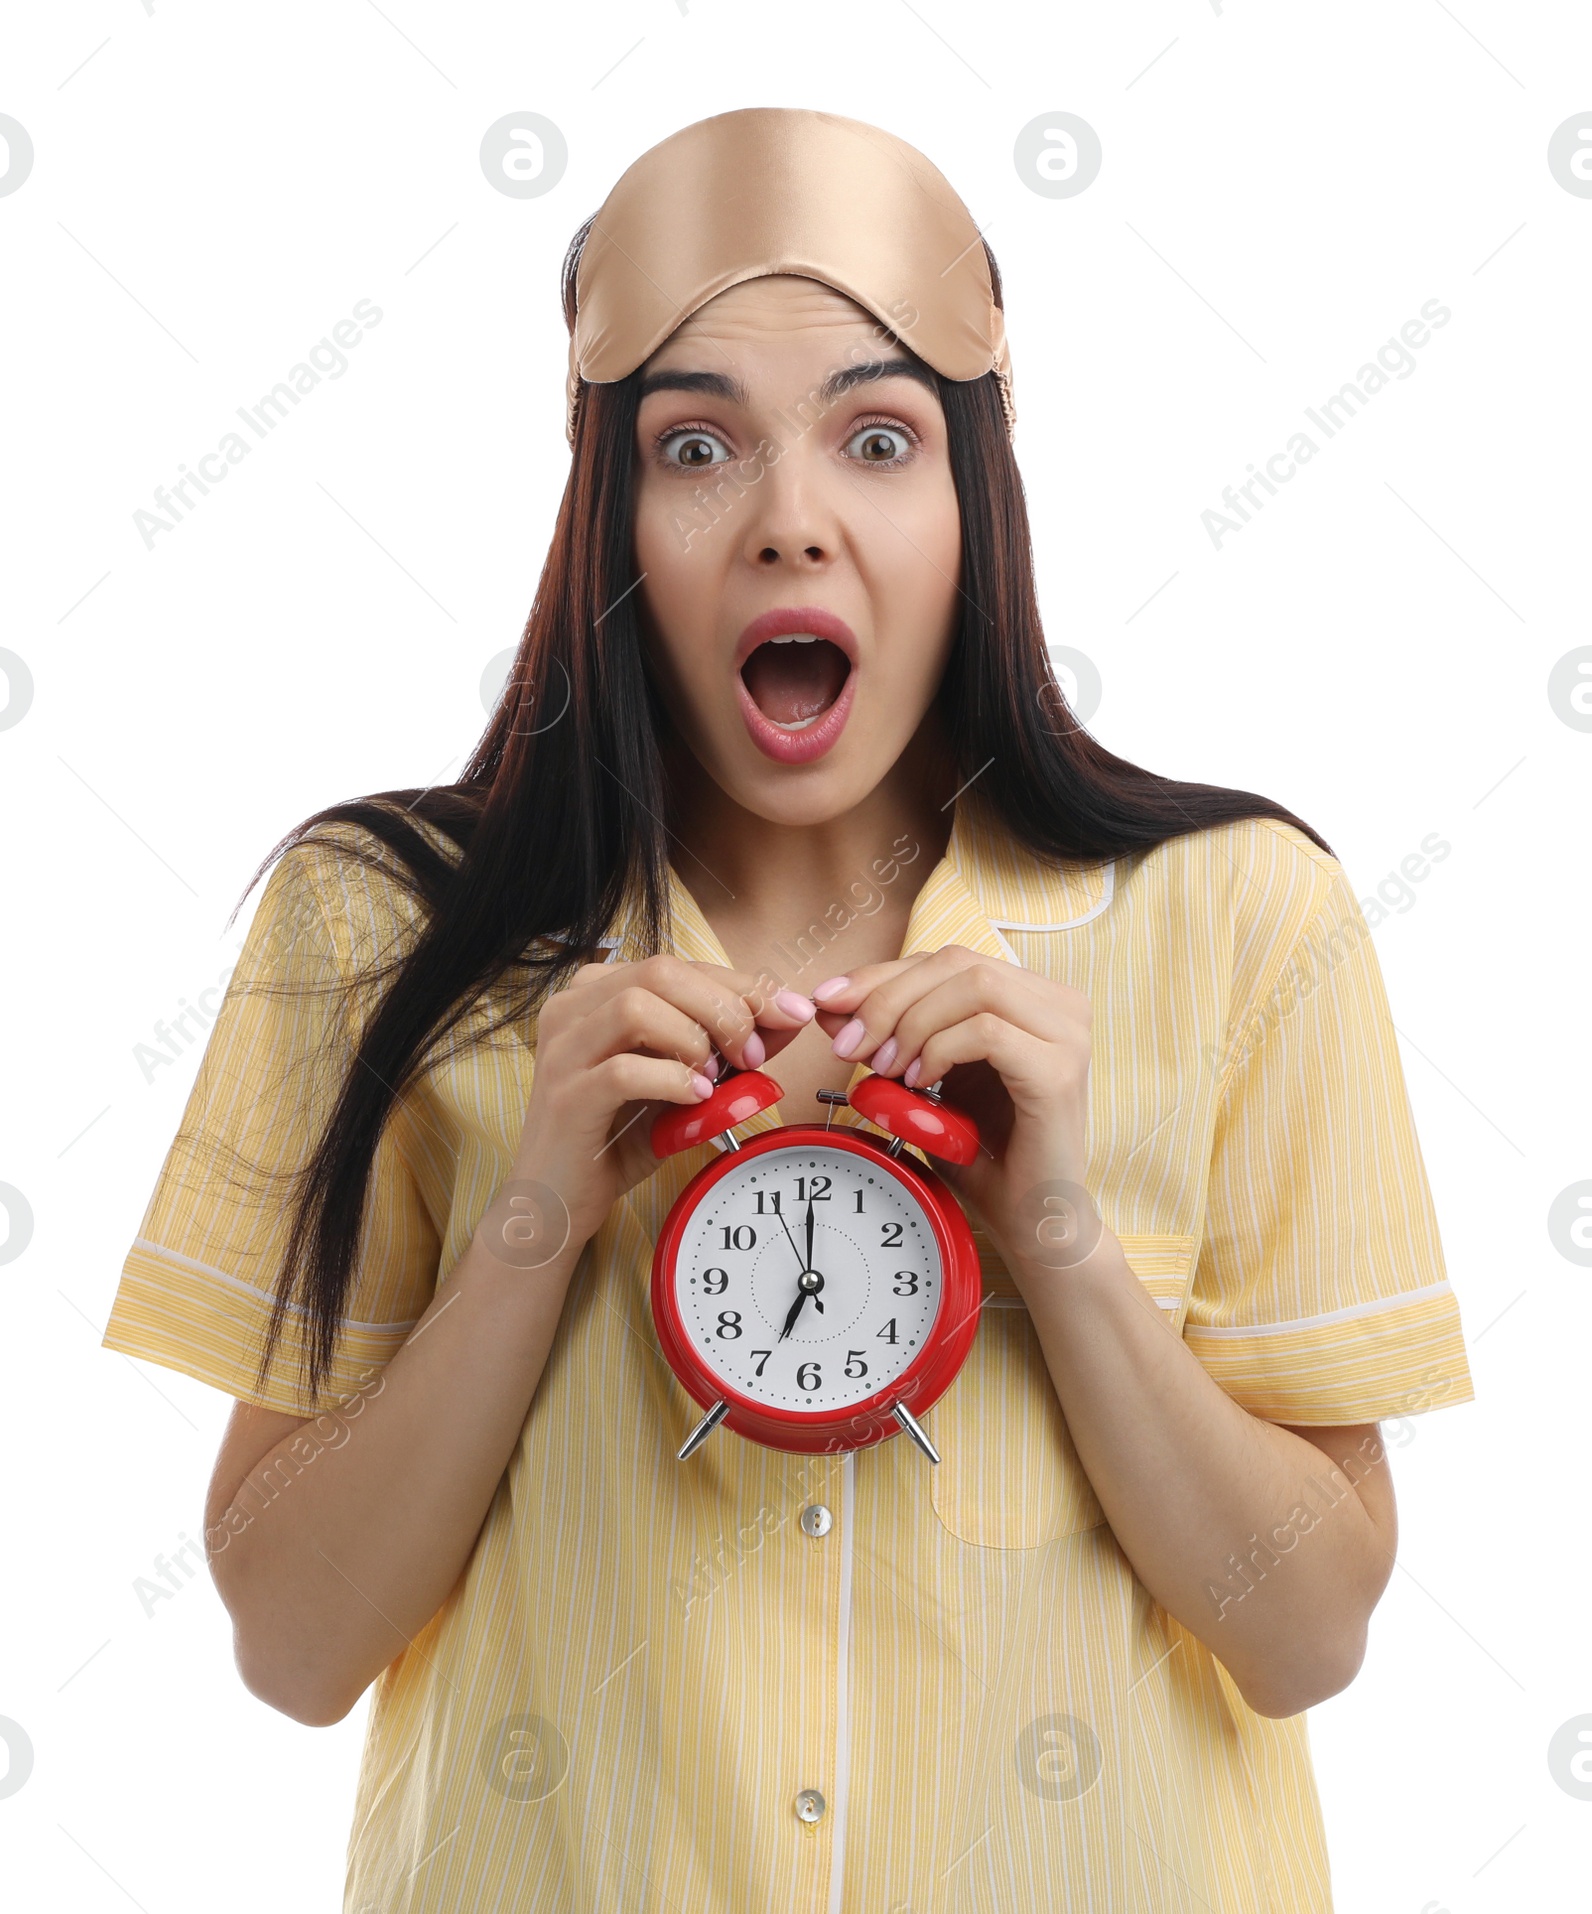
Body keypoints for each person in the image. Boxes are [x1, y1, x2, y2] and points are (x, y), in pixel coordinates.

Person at [101, 107, 1476, 1913]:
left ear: (975, 499)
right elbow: (290, 1644)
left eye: (880, 437)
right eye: (697, 448)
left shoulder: (1239, 917)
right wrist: (535, 1216)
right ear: (611, 508)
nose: (791, 524)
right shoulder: (378, 924)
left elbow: (1305, 1637)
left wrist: (1056, 1231)